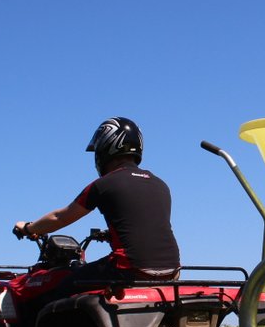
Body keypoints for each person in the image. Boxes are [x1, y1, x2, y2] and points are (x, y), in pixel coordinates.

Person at [13, 116, 181, 284]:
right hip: (173, 272)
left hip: (130, 269)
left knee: (60, 284)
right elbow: (147, 226)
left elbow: (60, 217)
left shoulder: (104, 184)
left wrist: (29, 228)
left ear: (106, 147)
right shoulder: (161, 184)